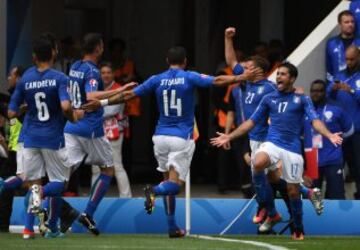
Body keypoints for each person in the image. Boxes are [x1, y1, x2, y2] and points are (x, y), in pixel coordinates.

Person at [82, 46, 257, 238]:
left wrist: (103, 103)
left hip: (160, 137)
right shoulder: (190, 76)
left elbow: (129, 94)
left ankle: (172, 226)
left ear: (167, 61)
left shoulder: (156, 79)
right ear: (185, 61)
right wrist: (239, 78)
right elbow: (217, 80)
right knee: (174, 185)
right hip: (181, 137)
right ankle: (153, 191)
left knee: (168, 181)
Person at [211, 62, 343, 240]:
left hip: (292, 148)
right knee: (257, 163)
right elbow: (251, 122)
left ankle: (298, 227)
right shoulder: (269, 99)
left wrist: (329, 135)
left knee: (292, 190)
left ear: (292, 78)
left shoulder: (302, 99)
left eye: (283, 74)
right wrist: (229, 136)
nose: (279, 76)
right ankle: (271, 211)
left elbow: (315, 121)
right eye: (278, 74)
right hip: (271, 143)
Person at [8, 37, 83, 239]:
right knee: (59, 183)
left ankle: (30, 229)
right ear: (53, 53)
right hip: (52, 138)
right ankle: (44, 205)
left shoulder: (25, 79)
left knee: (34, 183)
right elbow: (66, 107)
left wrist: (25, 107)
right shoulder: (60, 78)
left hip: (31, 138)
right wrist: (74, 117)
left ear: (34, 56)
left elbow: (11, 113)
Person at [64, 33, 134, 235]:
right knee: (108, 170)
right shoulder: (92, 71)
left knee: (61, 178)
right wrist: (118, 91)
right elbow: (91, 96)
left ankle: (46, 211)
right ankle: (88, 213)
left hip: (72, 127)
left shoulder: (75, 66)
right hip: (91, 128)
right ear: (98, 48)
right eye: (102, 45)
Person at [225, 27, 278, 226]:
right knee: (268, 178)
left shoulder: (270, 89)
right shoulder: (247, 82)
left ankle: (268, 210)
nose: (242, 69)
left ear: (258, 71)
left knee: (260, 176)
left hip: (267, 138)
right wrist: (228, 38)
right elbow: (232, 62)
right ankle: (268, 209)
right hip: (253, 137)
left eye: (247, 67)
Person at [91, 62, 132, 198]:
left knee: (117, 165)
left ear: (113, 74)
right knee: (96, 168)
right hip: (97, 131)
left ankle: (126, 197)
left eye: (108, 72)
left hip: (114, 131)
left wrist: (94, 109)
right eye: (103, 73)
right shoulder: (96, 88)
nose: (106, 75)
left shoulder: (119, 88)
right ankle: (94, 196)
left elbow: (111, 111)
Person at [308, 79, 353, 199]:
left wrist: (338, 143)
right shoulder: (305, 110)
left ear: (325, 92)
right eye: (313, 91)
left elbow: (349, 129)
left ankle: (337, 218)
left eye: (319, 91)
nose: (315, 94)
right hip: (313, 159)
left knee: (336, 195)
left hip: (333, 158)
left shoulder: (336, 108)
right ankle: (314, 218)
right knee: (313, 197)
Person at [327, 45, 360, 199]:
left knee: (358, 166)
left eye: (352, 59)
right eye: (346, 59)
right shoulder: (339, 74)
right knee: (337, 165)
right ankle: (335, 197)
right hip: (340, 129)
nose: (349, 62)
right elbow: (326, 94)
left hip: (358, 129)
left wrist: (352, 91)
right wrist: (333, 88)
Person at [326, 10, 360, 82]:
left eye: (352, 22)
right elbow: (329, 69)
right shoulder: (331, 43)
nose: (350, 24)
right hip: (338, 85)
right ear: (340, 24)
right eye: (346, 22)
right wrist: (330, 86)